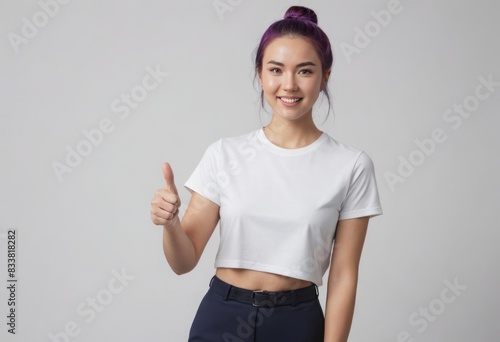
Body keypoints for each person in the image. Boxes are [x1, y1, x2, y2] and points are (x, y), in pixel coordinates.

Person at [150, 5, 383, 342]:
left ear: (325, 76)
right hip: (222, 317)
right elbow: (182, 262)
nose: (288, 85)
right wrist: (170, 223)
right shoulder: (223, 154)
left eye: (304, 71)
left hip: (297, 321)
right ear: (260, 74)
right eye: (276, 69)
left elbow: (344, 275)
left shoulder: (351, 165)